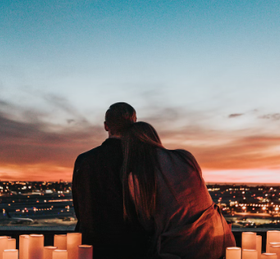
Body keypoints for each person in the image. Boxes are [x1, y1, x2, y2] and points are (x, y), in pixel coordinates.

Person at [121, 121, 235, 259]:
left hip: (183, 248)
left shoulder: (137, 177)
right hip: (220, 238)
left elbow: (147, 223)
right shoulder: (185, 157)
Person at [72, 102, 149, 259]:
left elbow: (80, 207)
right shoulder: (142, 160)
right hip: (132, 246)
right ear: (134, 124)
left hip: (92, 245)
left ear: (106, 126)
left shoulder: (84, 160)